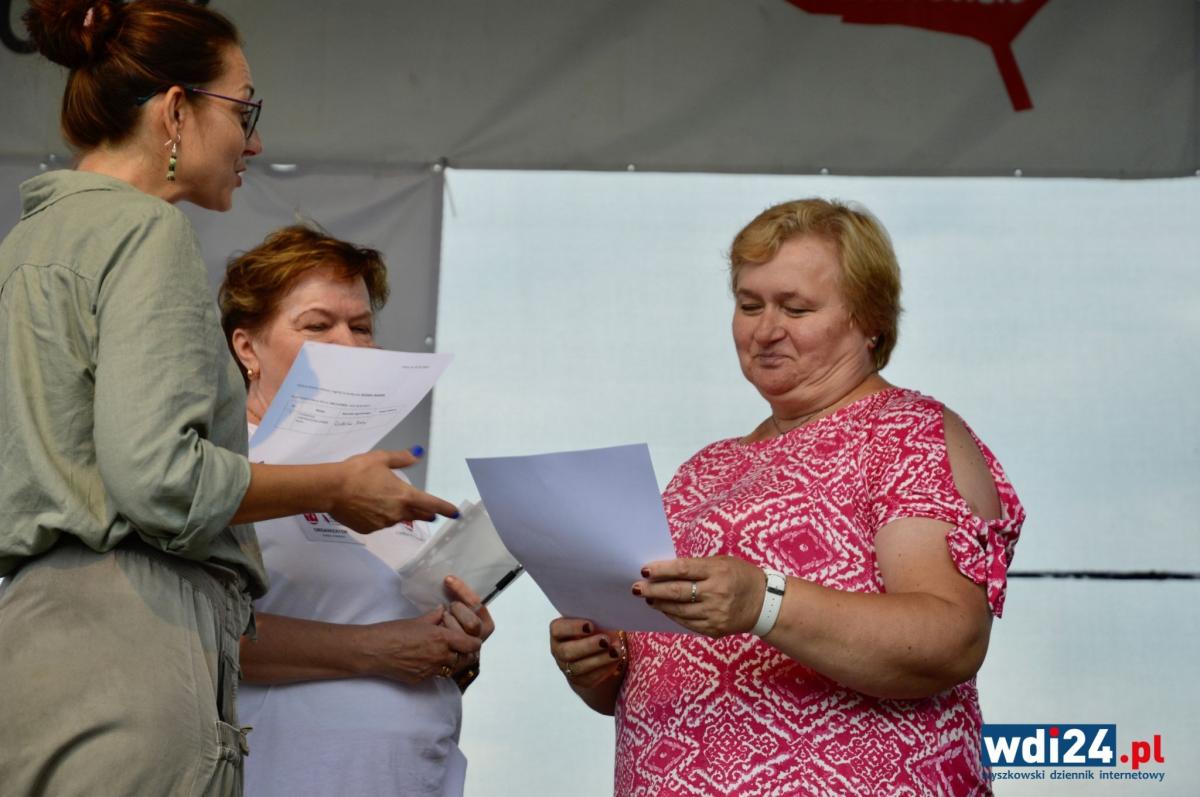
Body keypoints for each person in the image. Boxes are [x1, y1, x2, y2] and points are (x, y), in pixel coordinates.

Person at [0, 2, 456, 794]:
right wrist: (334, 486)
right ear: (176, 110)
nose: (255, 141)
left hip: (34, 640)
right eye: (244, 110)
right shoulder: (146, 231)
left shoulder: (27, 244)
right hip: (135, 647)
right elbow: (160, 479)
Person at [549, 198, 1024, 795]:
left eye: (796, 308)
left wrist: (763, 601)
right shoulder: (704, 469)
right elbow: (654, 677)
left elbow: (950, 640)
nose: (766, 330)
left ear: (870, 319)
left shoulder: (908, 433)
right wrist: (599, 664)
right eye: (749, 305)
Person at [220, 224, 494, 797]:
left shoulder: (387, 484)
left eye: (361, 327)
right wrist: (376, 650)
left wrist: (454, 646)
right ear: (247, 348)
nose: (348, 345)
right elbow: (192, 635)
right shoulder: (221, 470)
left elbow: (409, 650)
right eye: (318, 326)